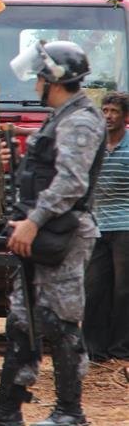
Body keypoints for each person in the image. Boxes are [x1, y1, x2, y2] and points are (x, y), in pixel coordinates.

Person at [0, 41, 106, 426]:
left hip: (62, 234)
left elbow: (72, 183)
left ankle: (70, 412)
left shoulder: (79, 120)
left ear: (52, 78)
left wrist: (34, 221)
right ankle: (8, 408)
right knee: (23, 321)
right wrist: (20, 165)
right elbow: (50, 173)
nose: (36, 82)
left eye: (41, 75)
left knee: (60, 323)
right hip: (44, 232)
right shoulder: (63, 116)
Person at [83, 91, 129, 360]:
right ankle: (94, 349)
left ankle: (120, 348)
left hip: (125, 226)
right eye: (105, 111)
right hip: (97, 225)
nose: (108, 116)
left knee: (124, 290)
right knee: (94, 288)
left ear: (125, 116)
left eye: (114, 111)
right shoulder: (94, 145)